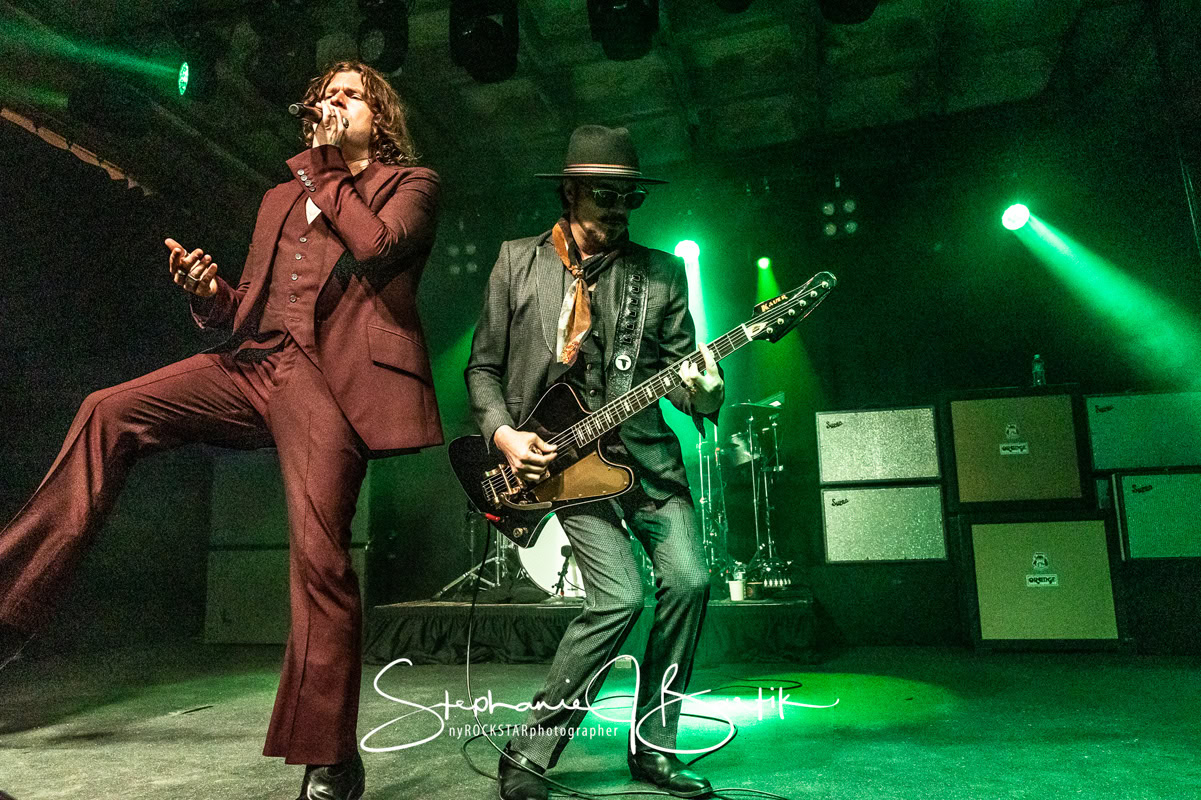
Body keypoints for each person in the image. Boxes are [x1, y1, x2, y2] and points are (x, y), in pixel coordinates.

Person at [0, 60, 442, 800]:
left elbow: (376, 248)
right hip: (254, 364)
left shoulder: (410, 184)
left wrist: (326, 168)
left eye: (349, 96)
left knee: (319, 557)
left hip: (327, 383)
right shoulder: (279, 199)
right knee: (108, 409)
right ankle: (9, 610)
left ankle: (332, 758)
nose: (332, 105)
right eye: (324, 96)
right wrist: (209, 295)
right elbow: (250, 311)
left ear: (380, 117)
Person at [465, 125, 723, 800]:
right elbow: (483, 368)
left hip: (647, 460)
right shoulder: (516, 261)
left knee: (690, 580)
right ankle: (529, 753)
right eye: (604, 195)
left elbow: (685, 374)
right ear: (571, 192)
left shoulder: (660, 273)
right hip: (567, 465)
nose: (618, 209)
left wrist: (705, 392)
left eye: (628, 197)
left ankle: (654, 748)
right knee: (620, 597)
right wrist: (504, 436)